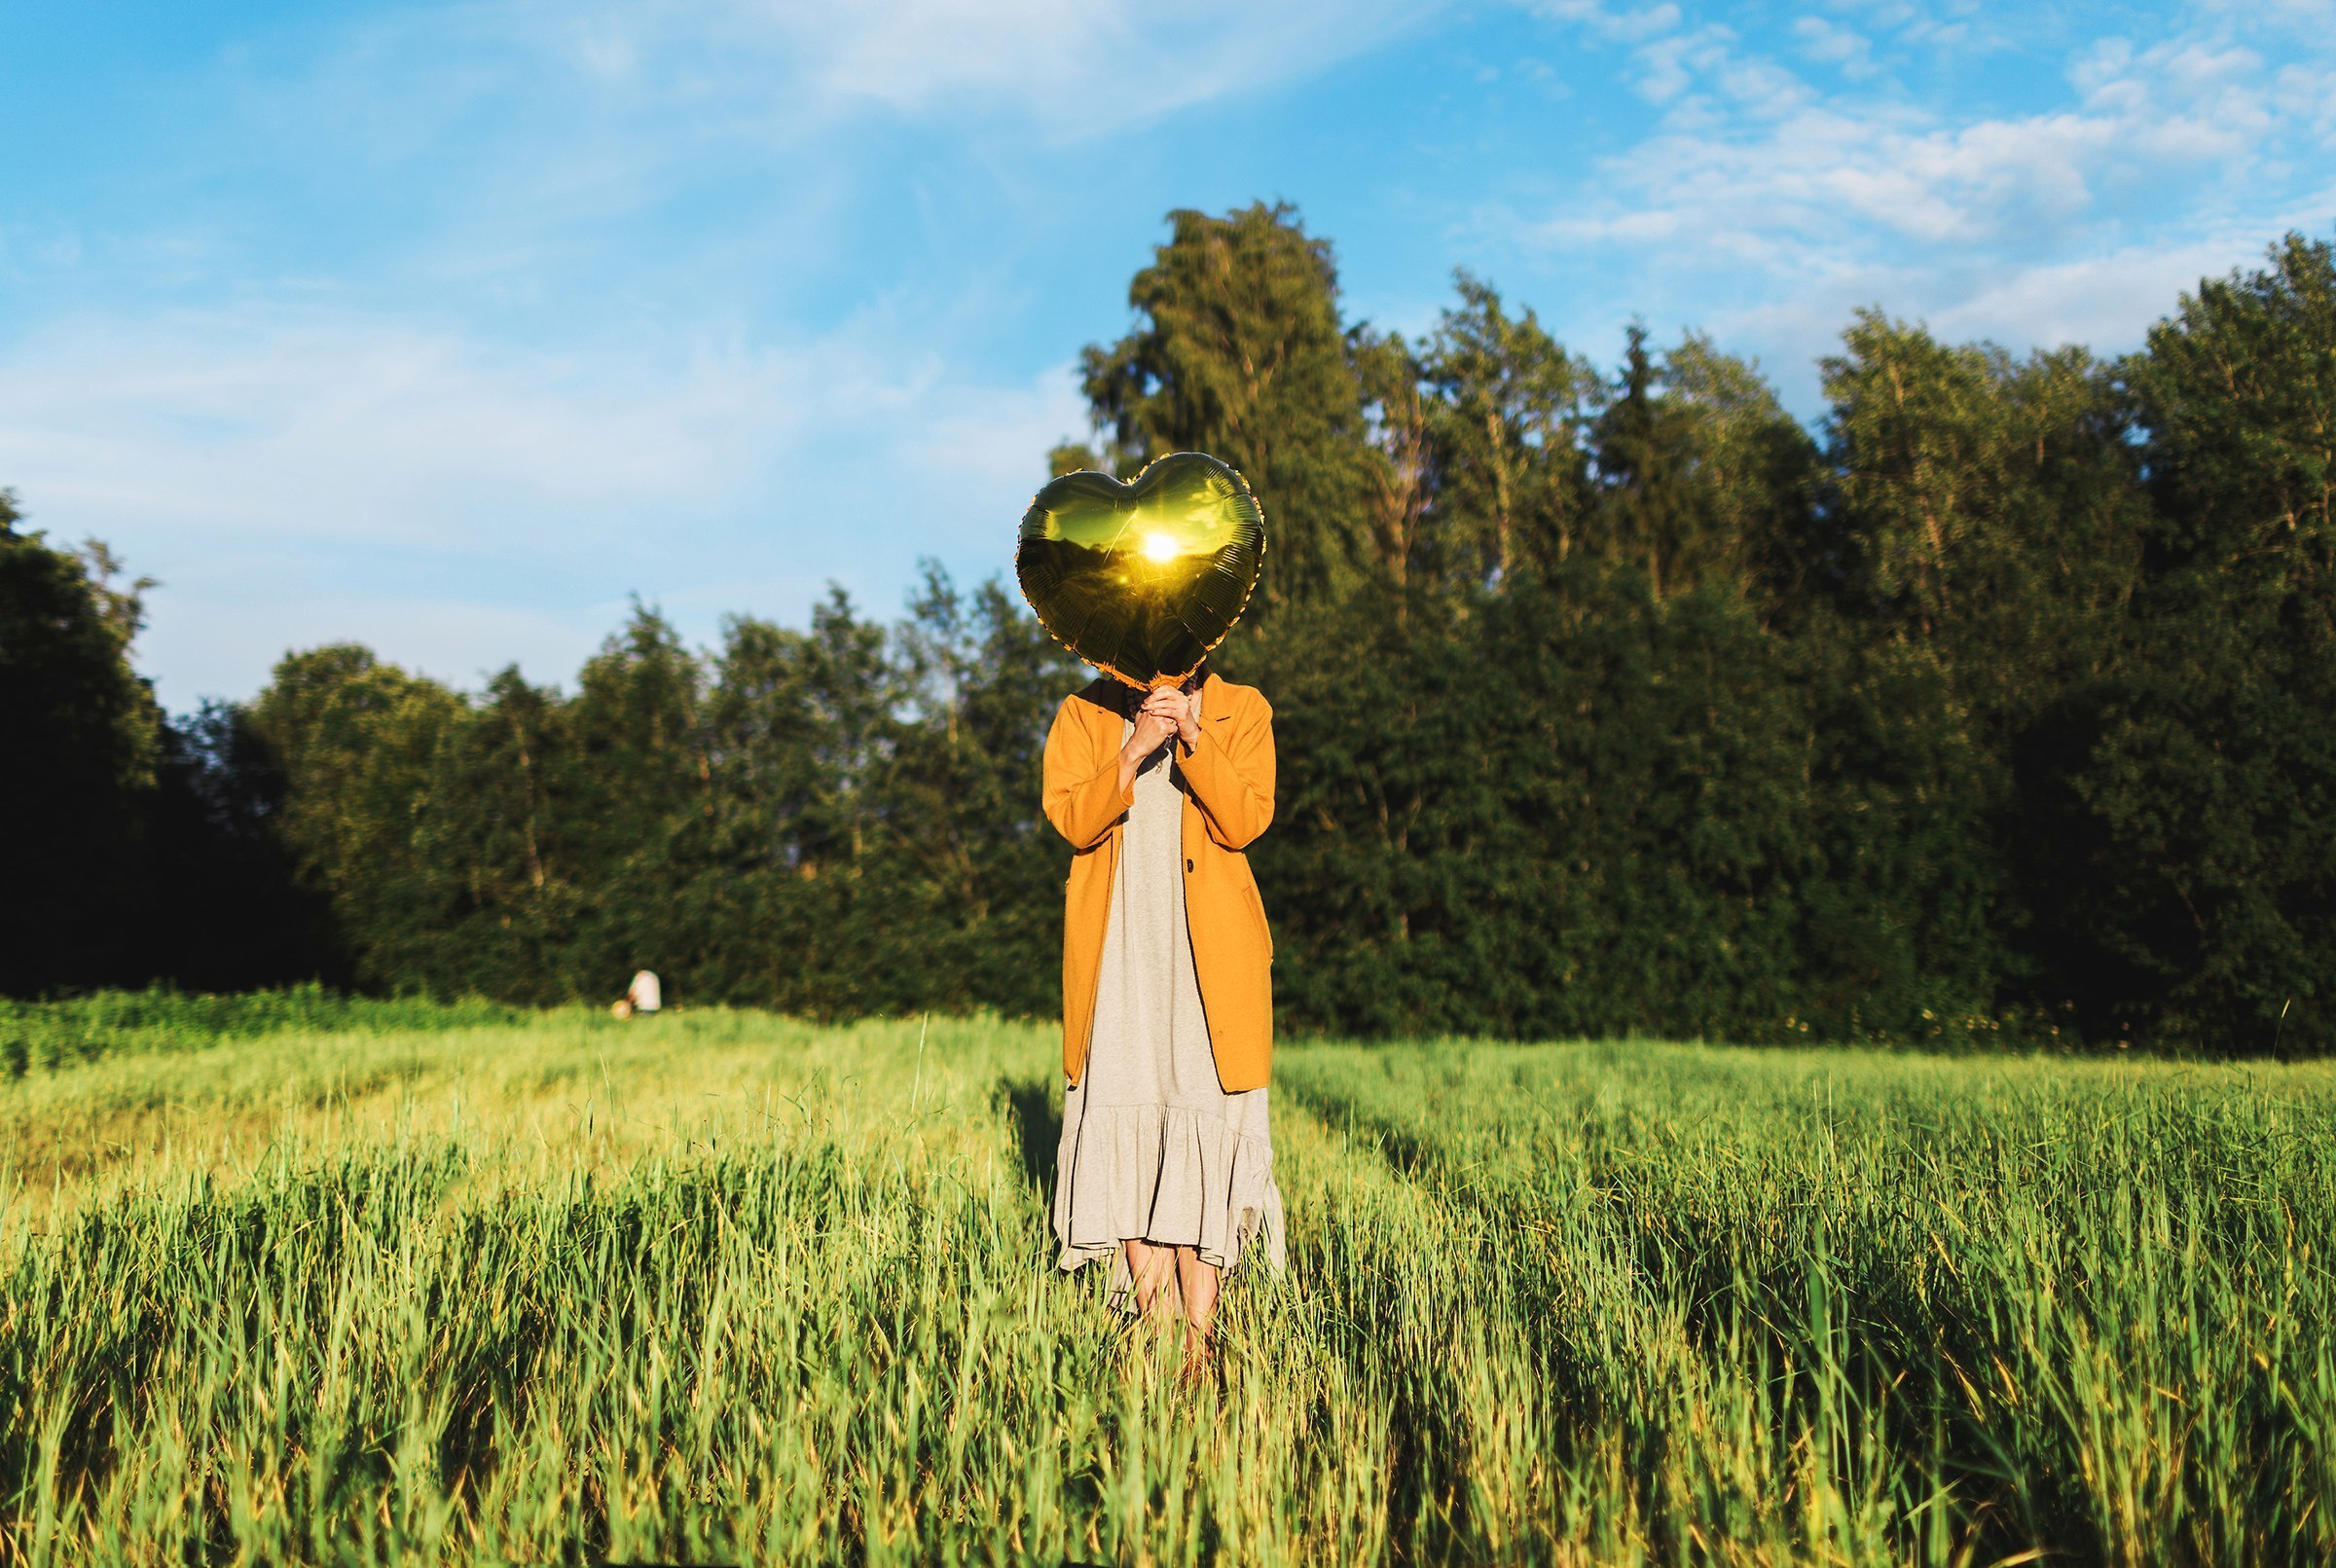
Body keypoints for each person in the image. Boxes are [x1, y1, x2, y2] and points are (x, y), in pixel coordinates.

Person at [1042, 660, 1284, 1383]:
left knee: (1200, 1112)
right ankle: (1152, 1324)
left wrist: (1191, 737)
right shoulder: (1081, 715)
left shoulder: (1244, 709)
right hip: (1118, 947)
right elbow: (1072, 820)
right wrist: (1134, 746)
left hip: (1209, 954)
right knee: (1130, 1119)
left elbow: (1247, 819)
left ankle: (1200, 1343)